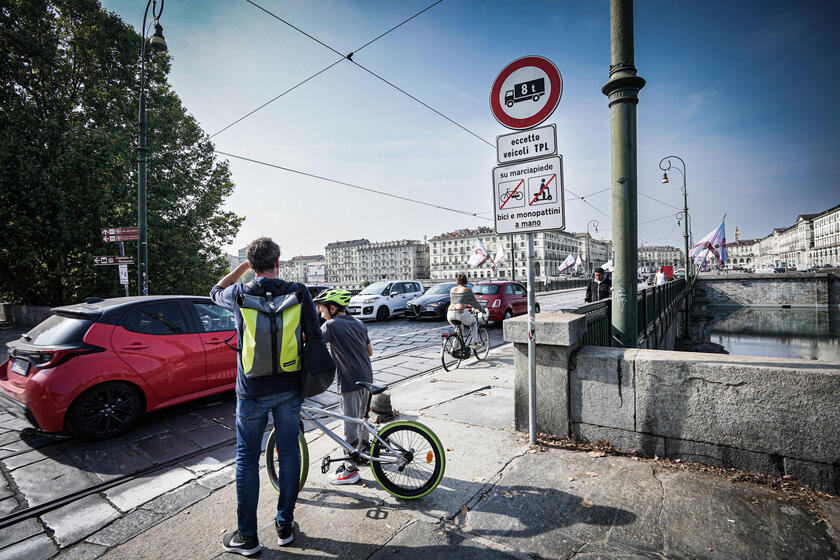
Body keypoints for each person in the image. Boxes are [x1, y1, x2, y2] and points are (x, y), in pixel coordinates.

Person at [211, 237, 321, 556]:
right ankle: (284, 526)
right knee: (288, 454)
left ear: (252, 265)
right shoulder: (298, 292)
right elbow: (314, 336)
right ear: (279, 261)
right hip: (289, 389)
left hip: (251, 391)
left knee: (247, 457)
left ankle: (247, 537)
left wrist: (243, 268)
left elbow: (214, 291)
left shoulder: (240, 291)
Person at [312, 289, 374, 486]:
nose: (321, 315)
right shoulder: (359, 323)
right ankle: (363, 455)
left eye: (322, 311)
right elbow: (369, 352)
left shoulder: (330, 326)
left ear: (332, 308)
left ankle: (350, 470)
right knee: (362, 421)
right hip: (367, 378)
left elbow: (314, 345)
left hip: (349, 381)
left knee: (350, 427)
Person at [448, 273, 486, 347]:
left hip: (450, 313)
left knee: (458, 329)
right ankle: (475, 344)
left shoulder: (452, 290)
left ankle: (454, 347)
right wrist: (482, 310)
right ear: (466, 281)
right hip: (460, 312)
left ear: (457, 281)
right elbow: (475, 303)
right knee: (474, 322)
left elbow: (454, 301)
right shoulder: (467, 290)